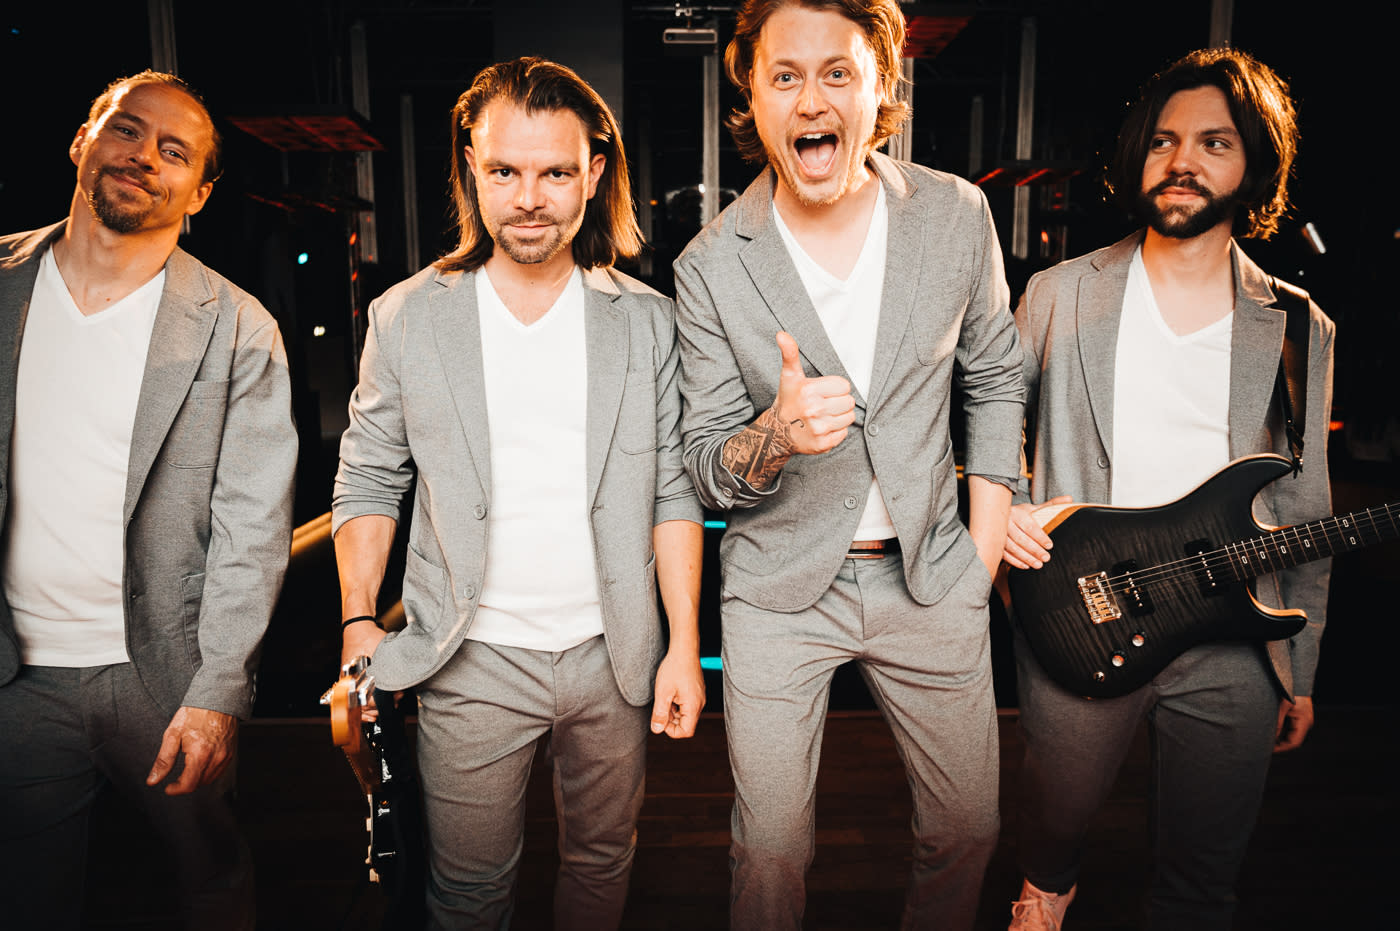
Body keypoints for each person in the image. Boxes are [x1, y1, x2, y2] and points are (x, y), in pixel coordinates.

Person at [332, 57, 705, 929]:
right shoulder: (407, 316)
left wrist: (684, 644)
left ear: (594, 174)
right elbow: (371, 471)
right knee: (467, 895)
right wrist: (356, 616)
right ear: (471, 166)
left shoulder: (649, 322)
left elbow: (673, 494)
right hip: (469, 657)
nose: (529, 199)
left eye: (555, 173)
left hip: (614, 657)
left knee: (602, 866)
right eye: (504, 171)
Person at [673, 1, 1024, 927]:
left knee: (968, 829)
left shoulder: (956, 214)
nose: (811, 99)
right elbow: (706, 466)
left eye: (838, 72)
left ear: (881, 83)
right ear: (751, 96)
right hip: (777, 590)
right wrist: (775, 434)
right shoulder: (710, 265)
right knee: (770, 850)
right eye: (784, 76)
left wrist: (980, 562)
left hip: (932, 577)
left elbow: (995, 379)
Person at [1002, 48, 1333, 931]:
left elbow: (1306, 505)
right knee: (1049, 842)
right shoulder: (1058, 295)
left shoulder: (1300, 326)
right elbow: (988, 431)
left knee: (1202, 878)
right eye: (1162, 140)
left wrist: (1298, 668)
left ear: (1254, 166)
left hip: (1235, 638)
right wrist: (1005, 511)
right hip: (1083, 610)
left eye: (1214, 142)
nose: (1181, 160)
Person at [0, 71, 297, 930]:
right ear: (82, 140)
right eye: (126, 130)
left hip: (166, 676)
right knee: (27, 895)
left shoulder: (237, 327)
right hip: (17, 675)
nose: (143, 158)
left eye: (175, 152)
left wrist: (219, 691)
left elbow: (252, 530)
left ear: (198, 192)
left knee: (209, 877)